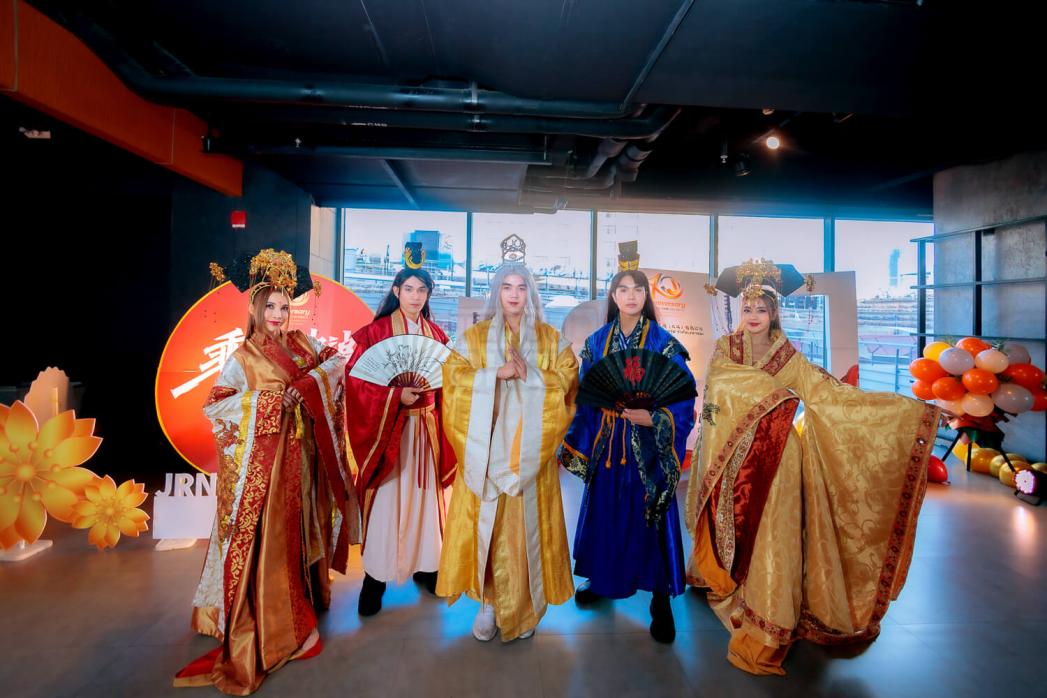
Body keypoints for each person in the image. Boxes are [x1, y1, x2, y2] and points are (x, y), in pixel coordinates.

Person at [684, 258, 940, 676]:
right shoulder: (725, 350)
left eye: (762, 309)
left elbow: (830, 395)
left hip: (782, 461)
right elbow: (721, 392)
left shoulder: (789, 356)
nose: (753, 316)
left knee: (777, 538)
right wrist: (774, 395)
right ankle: (724, 577)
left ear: (774, 313)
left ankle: (772, 609)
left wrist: (912, 411)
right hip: (734, 461)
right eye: (747, 308)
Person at [176, 249, 360, 694]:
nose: (278, 315)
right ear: (256, 310)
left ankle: (302, 602)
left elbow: (336, 362)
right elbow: (217, 406)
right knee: (272, 541)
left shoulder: (302, 344)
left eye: (283, 307)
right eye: (270, 307)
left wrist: (308, 384)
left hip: (303, 460)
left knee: (300, 533)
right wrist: (274, 400)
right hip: (268, 467)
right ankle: (277, 620)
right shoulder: (243, 357)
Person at [436, 235, 579, 642]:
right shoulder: (474, 338)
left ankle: (525, 608)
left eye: (521, 287)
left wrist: (532, 377)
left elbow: (568, 383)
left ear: (530, 293)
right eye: (506, 287)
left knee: (523, 535)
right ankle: (487, 603)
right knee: (491, 529)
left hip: (530, 454)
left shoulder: (551, 340)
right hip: (486, 451)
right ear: (496, 292)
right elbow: (454, 381)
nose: (514, 295)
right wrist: (493, 375)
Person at [558, 245, 695, 643]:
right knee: (608, 515)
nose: (631, 296)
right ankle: (603, 580)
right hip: (608, 447)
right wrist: (581, 436)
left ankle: (659, 598)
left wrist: (655, 418)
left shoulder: (664, 344)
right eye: (623, 289)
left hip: (648, 450)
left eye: (637, 289)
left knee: (651, 518)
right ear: (613, 296)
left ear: (645, 296)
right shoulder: (597, 343)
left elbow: (682, 398)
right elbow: (586, 397)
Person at [346, 243, 456, 616]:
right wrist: (394, 396)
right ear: (396, 291)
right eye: (408, 288)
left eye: (422, 290)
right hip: (390, 432)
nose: (415, 296)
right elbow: (356, 382)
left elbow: (449, 384)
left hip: (426, 431)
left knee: (425, 502)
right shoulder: (373, 334)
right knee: (387, 501)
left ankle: (427, 566)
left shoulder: (437, 336)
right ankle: (374, 579)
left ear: (428, 294)